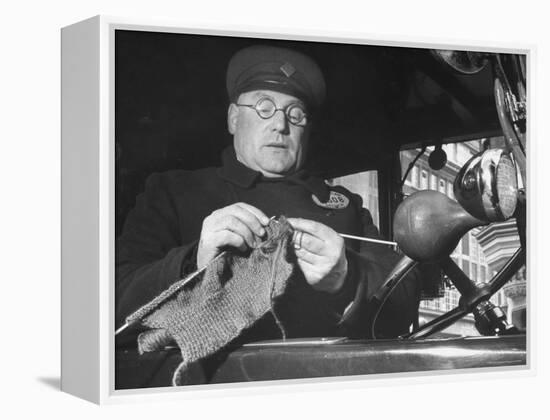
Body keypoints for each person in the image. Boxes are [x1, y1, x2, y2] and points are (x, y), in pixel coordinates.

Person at [116, 45, 420, 343]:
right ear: (234, 118)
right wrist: (191, 262)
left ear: (307, 130)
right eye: (264, 108)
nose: (280, 124)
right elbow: (112, 302)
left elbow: (404, 302)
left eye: (296, 113)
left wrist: (347, 277)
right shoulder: (173, 192)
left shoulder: (345, 206)